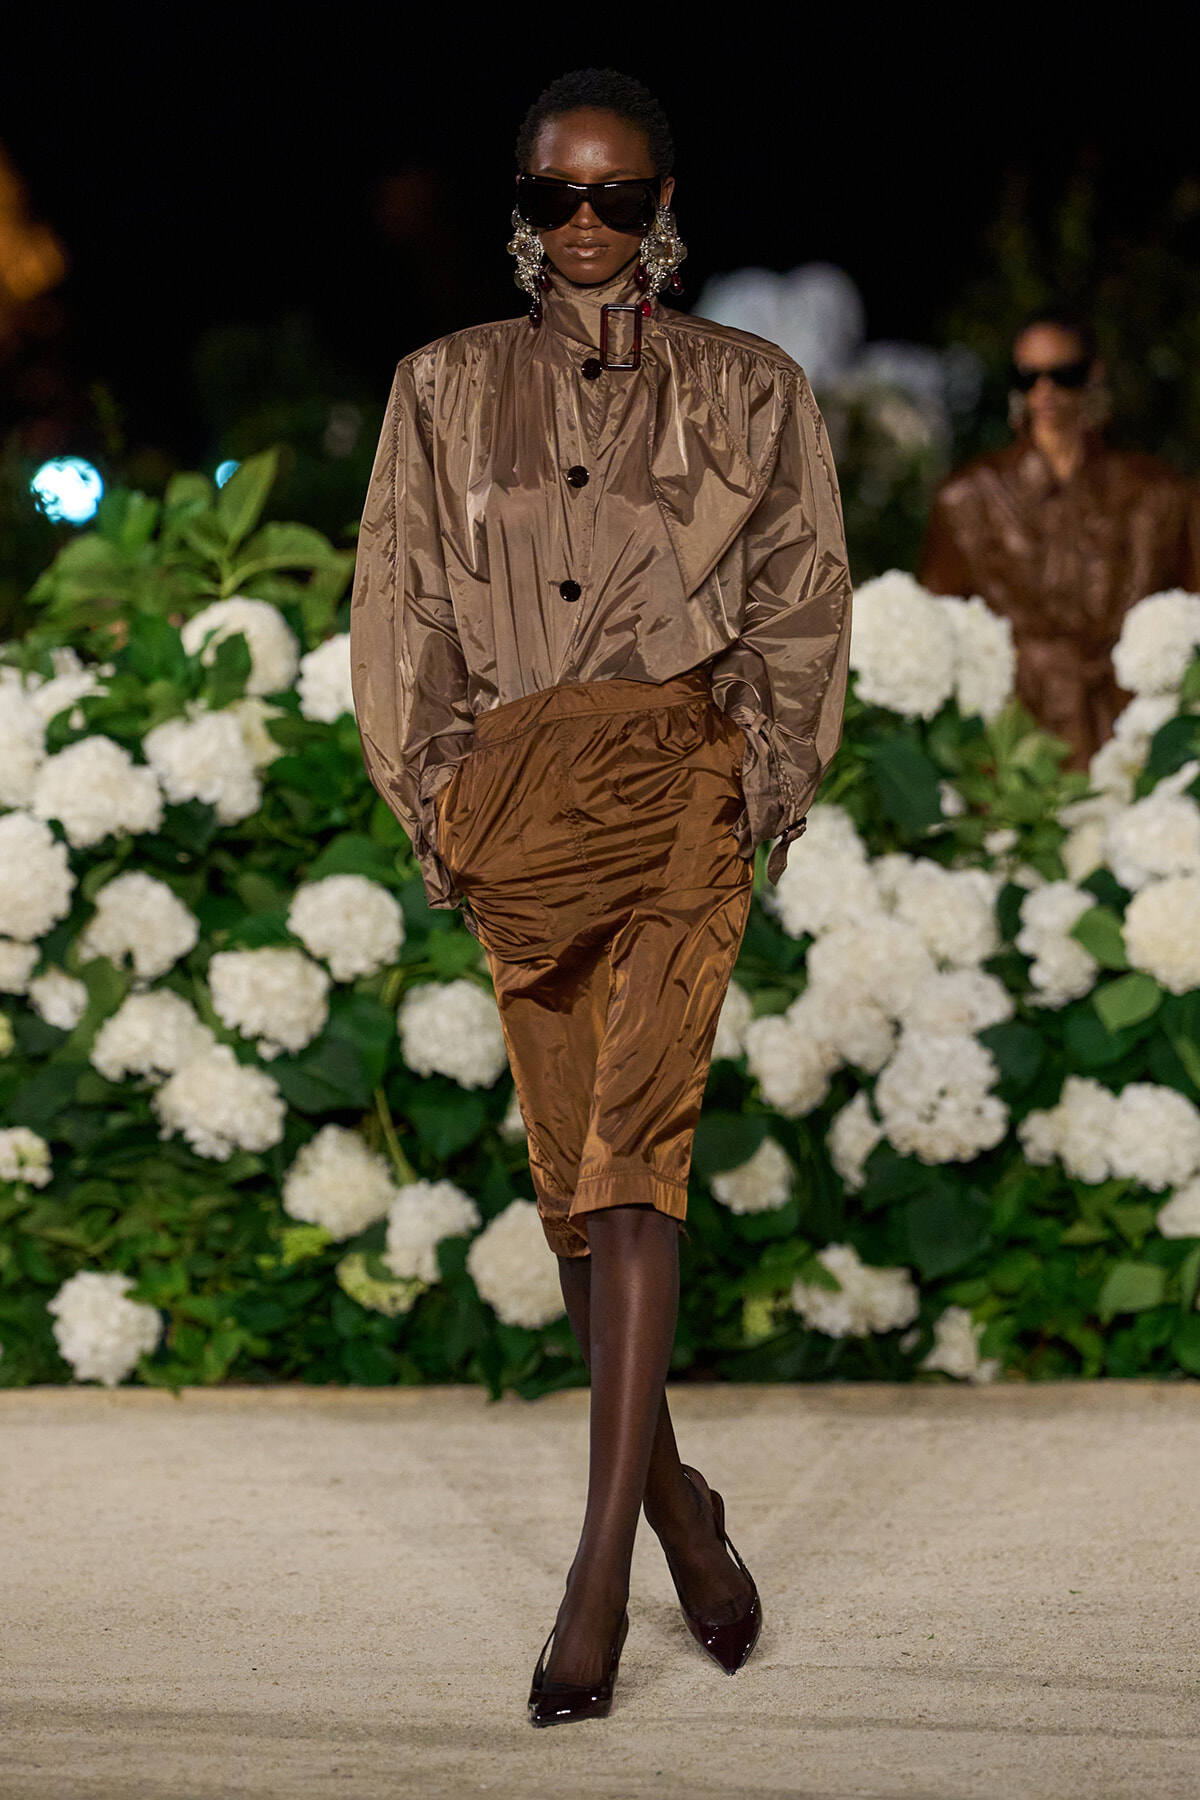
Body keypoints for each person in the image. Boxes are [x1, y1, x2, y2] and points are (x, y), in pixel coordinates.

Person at [350, 67, 851, 1726]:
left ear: (664, 211)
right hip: (514, 803)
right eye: (561, 195)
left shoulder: (752, 390)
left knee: (639, 1154)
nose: (588, 226)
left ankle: (599, 1580)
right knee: (573, 1189)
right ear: (520, 205)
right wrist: (435, 797)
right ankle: (685, 1511)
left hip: (678, 789)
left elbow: (799, 598)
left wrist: (756, 784)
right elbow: (399, 606)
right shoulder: (439, 390)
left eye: (619, 197)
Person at [920, 308, 1200, 767]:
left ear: (1093, 374)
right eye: (1027, 376)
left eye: (1063, 374)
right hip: (1008, 747)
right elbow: (935, 631)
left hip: (1132, 734)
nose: (1044, 391)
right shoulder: (969, 498)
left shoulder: (1159, 494)